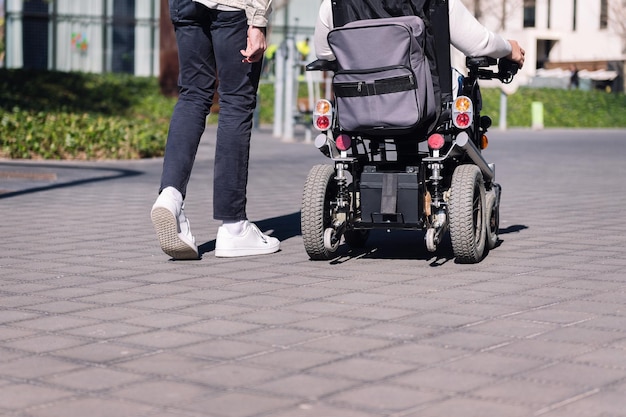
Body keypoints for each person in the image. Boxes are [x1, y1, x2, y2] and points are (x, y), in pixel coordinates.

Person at [150, 0, 279, 260]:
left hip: (184, 4)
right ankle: (234, 228)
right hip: (232, 7)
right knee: (236, 101)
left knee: (193, 95)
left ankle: (170, 196)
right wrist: (257, 20)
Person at [314, 0, 525, 70]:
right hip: (425, 107)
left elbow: (324, 54)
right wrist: (509, 48)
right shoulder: (436, 2)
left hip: (359, 106)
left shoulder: (334, 4)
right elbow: (480, 44)